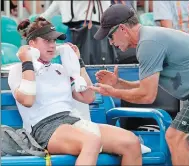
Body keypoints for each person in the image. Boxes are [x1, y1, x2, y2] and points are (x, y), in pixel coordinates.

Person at [90, 4, 189, 166]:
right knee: (179, 137)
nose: (111, 43)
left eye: (110, 37)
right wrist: (119, 84)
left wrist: (113, 92)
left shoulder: (148, 44)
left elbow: (147, 95)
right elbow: (146, 86)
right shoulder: (149, 38)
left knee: (176, 136)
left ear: (122, 29)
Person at [8, 17, 142, 166]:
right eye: (47, 41)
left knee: (131, 142)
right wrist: (27, 62)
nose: (52, 45)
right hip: (43, 128)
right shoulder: (18, 70)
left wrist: (78, 62)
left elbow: (88, 97)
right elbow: (27, 100)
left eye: (54, 41)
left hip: (72, 121)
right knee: (91, 141)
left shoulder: (60, 69)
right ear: (32, 44)